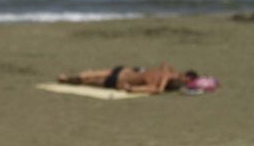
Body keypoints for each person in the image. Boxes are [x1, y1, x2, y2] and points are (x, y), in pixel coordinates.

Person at [58, 63, 198, 94]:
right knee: (91, 80)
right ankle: (70, 80)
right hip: (122, 80)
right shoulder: (166, 77)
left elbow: (164, 64)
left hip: (125, 72)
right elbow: (157, 89)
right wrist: (132, 89)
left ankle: (68, 78)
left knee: (93, 75)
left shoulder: (167, 71)